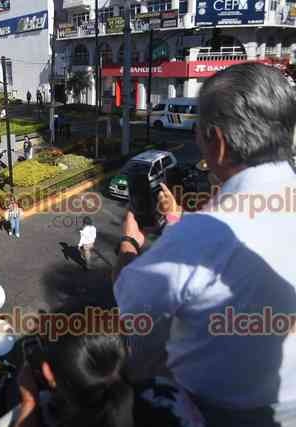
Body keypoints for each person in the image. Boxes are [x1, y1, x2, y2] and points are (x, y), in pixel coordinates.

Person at [114, 63, 296, 426]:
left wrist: (129, 242)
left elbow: (133, 308)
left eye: (199, 131)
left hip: (215, 411)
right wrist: (177, 220)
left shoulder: (200, 237)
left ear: (218, 142)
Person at [13, 313, 204, 427]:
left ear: (48, 373)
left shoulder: (50, 417)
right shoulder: (168, 393)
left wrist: (29, 403)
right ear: (126, 352)